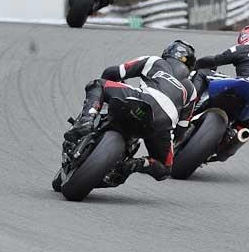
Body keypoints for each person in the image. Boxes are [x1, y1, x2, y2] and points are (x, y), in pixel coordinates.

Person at [63, 40, 199, 186]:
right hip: (163, 123)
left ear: (168, 52)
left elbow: (114, 72)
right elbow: (181, 130)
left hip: (142, 100)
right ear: (190, 67)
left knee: (97, 84)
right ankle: (136, 164)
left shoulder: (155, 61)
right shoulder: (191, 91)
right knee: (165, 168)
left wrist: (109, 92)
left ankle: (87, 120)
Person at [193, 24, 249, 161]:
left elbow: (215, 60)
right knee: (241, 127)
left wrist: (196, 64)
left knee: (202, 72)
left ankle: (188, 107)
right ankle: (230, 143)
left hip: (245, 86)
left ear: (245, 37)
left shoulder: (245, 48)